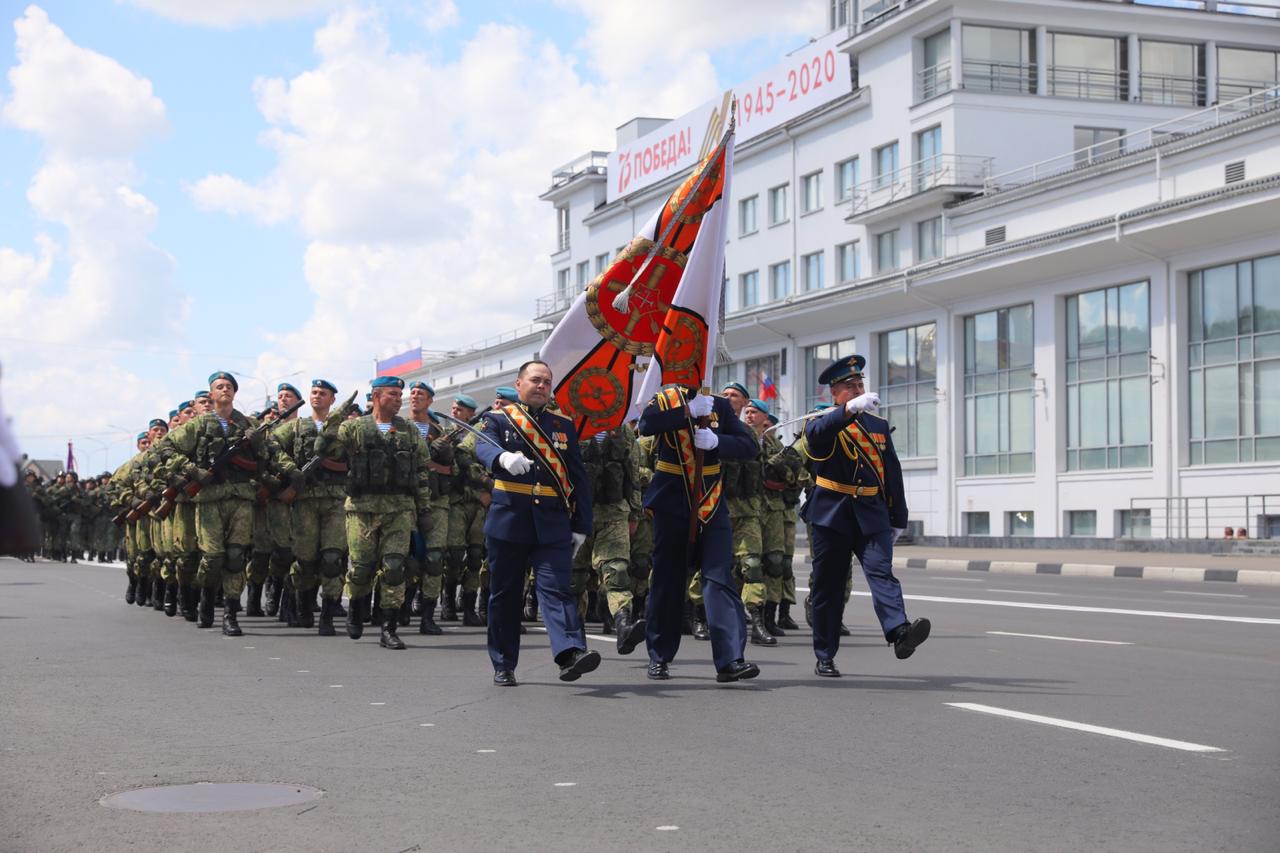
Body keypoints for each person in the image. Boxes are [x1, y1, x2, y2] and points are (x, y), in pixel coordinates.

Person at [803, 355, 930, 678]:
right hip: (832, 515)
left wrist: (898, 517)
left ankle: (899, 632)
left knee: (881, 572)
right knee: (828, 589)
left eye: (860, 385)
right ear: (834, 393)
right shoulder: (821, 420)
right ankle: (825, 654)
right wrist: (848, 411)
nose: (858, 390)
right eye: (850, 387)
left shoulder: (878, 426)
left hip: (872, 513)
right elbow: (816, 438)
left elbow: (892, 473)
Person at [473, 360, 598, 687]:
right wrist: (501, 459)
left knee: (558, 589)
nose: (541, 386)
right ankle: (503, 663)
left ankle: (570, 653)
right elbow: (482, 447)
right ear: (518, 384)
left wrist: (581, 524)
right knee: (505, 596)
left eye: (546, 382)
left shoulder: (563, 424)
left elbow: (578, 476)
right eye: (535, 380)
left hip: (552, 522)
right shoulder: (497, 419)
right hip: (510, 521)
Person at [158, 371, 298, 635]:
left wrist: (291, 472)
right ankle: (207, 600)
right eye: (219, 387)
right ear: (211, 394)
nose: (225, 390)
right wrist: (191, 470)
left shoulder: (248, 425)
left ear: (235, 393)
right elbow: (166, 450)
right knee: (212, 557)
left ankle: (231, 614)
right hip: (210, 499)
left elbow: (271, 453)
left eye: (229, 387)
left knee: (235, 557)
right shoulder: (198, 426)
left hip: (242, 498)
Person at [638, 384, 761, 683]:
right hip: (672, 499)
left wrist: (718, 442)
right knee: (669, 579)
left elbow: (749, 446)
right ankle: (660, 655)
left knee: (719, 577)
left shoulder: (718, 403)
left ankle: (730, 659)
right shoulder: (663, 400)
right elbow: (647, 424)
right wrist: (687, 412)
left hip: (711, 500)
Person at [320, 375, 431, 650]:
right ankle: (357, 609)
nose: (398, 399)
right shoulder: (354, 428)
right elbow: (323, 449)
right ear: (377, 396)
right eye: (392, 394)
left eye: (399, 395)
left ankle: (388, 628)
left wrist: (424, 508)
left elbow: (421, 472)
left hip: (400, 509)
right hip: (362, 510)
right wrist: (337, 415)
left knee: (394, 568)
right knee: (360, 569)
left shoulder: (409, 431)